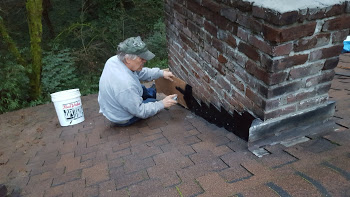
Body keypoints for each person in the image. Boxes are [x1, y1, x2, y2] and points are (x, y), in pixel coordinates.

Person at [98, 36, 177, 126]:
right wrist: (162, 104)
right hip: (122, 117)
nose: (145, 60)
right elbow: (141, 111)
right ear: (128, 59)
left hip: (115, 104)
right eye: (141, 58)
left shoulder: (114, 60)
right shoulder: (126, 84)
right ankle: (152, 95)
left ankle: (151, 92)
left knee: (140, 88)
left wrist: (161, 73)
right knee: (153, 102)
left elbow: (140, 72)